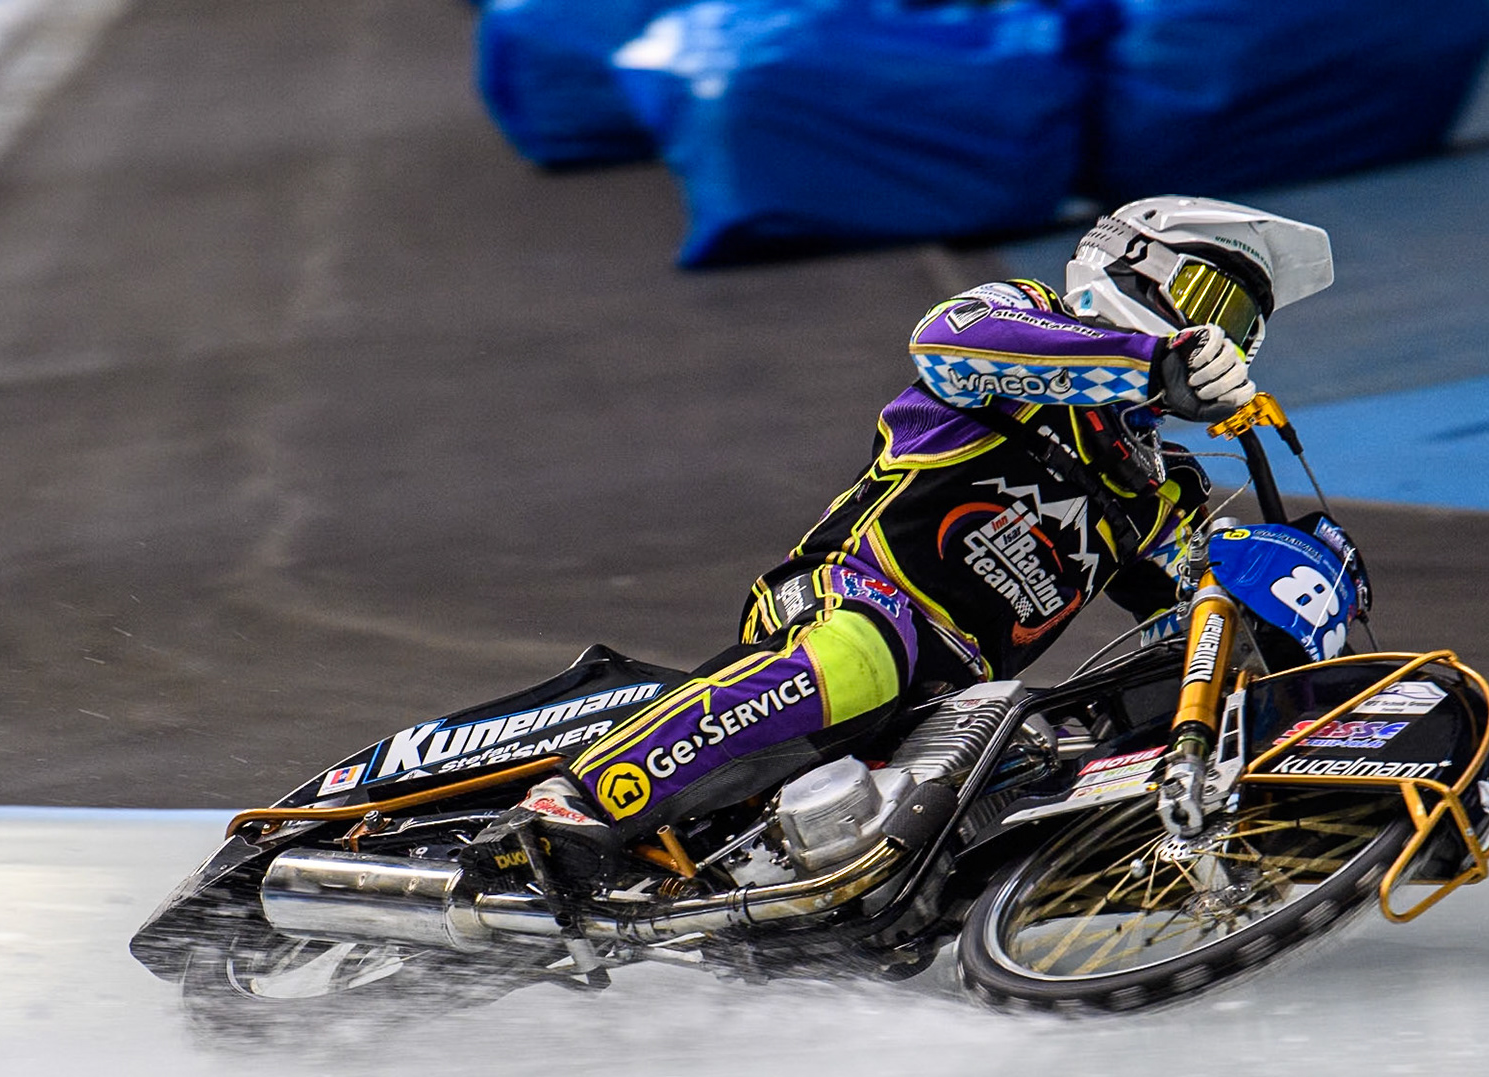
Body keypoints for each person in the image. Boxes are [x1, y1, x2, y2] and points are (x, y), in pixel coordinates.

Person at [518, 195, 1335, 874]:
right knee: (865, 655)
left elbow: (1193, 620)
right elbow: (946, 344)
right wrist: (1148, 359)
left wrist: (1301, 602)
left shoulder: (1161, 487)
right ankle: (575, 799)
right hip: (851, 597)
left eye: (1244, 329)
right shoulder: (1015, 321)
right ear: (1128, 265)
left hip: (959, 701)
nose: (1221, 340)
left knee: (1055, 757)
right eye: (1211, 304)